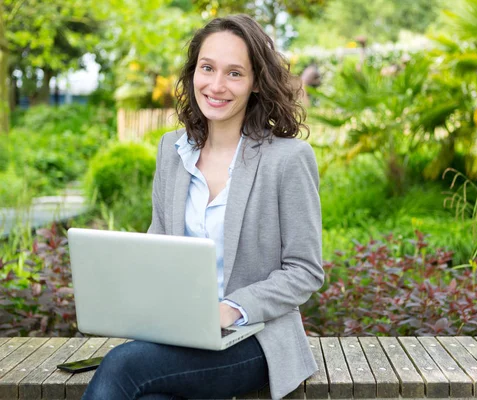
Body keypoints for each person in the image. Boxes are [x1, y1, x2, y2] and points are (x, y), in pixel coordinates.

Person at [82, 14, 323, 400]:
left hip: (253, 338)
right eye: (207, 68)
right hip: (178, 334)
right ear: (194, 71)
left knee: (122, 366)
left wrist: (230, 308)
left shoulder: (288, 159)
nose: (215, 85)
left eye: (234, 74)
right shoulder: (171, 151)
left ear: (256, 82)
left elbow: (304, 271)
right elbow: (158, 245)